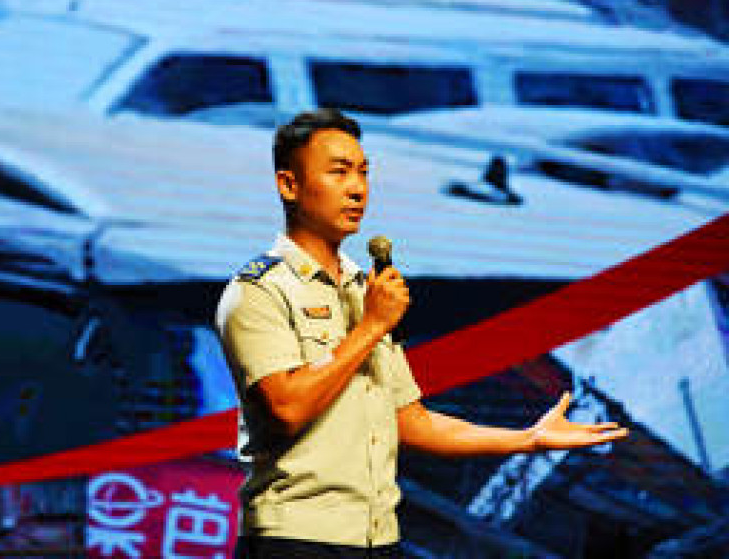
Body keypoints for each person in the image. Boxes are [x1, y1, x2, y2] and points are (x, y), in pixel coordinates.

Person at [215, 108, 628, 558]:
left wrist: (528, 439)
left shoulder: (365, 291)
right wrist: (372, 327)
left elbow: (413, 423)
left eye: (362, 172)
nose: (356, 189)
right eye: (338, 172)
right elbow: (287, 409)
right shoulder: (261, 292)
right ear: (289, 185)